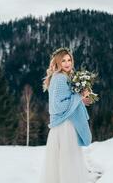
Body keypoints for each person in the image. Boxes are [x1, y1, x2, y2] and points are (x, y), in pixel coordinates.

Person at [39, 47, 92, 183]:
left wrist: (81, 99)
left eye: (69, 60)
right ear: (57, 63)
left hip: (65, 126)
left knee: (65, 163)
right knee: (68, 163)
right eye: (63, 61)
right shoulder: (60, 79)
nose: (68, 63)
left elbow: (68, 99)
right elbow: (58, 106)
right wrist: (78, 96)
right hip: (64, 127)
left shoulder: (66, 77)